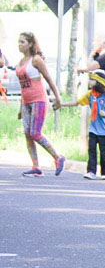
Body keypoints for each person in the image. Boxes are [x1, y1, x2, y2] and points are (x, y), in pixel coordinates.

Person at [15, 32, 66, 177]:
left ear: (30, 44)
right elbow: (22, 86)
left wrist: (57, 98)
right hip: (26, 102)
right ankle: (36, 166)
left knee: (35, 133)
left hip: (38, 101)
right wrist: (20, 108)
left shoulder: (36, 60)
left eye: (23, 42)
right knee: (27, 134)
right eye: (19, 42)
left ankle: (58, 157)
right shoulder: (20, 61)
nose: (20, 44)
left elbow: (49, 79)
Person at [71, 71, 105, 180]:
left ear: (99, 82)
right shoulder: (90, 94)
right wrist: (60, 104)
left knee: (104, 153)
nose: (90, 82)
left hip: (104, 130)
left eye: (92, 79)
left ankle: (104, 172)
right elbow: (77, 102)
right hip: (93, 128)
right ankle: (91, 171)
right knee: (92, 150)